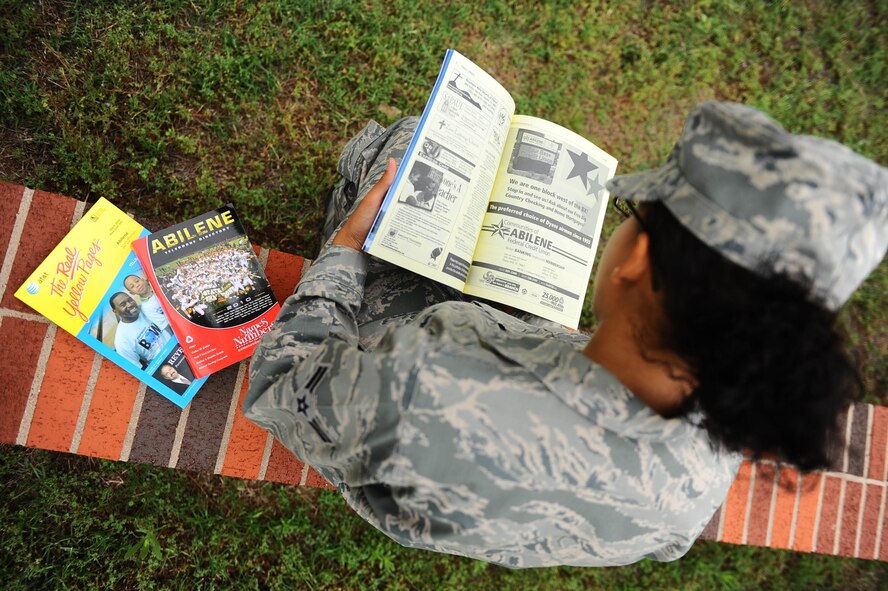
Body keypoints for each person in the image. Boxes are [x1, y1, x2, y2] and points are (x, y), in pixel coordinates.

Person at [243, 102, 887, 568]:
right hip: (469, 468)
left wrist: (347, 252)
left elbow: (282, 382)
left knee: (408, 150)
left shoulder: (426, 382)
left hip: (390, 436)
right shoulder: (704, 474)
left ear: (637, 261)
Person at [109, 292, 173, 368]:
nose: (129, 305)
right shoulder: (122, 340)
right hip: (165, 366)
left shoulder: (147, 309)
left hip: (180, 345)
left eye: (130, 300)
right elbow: (138, 369)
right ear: (115, 311)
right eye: (123, 304)